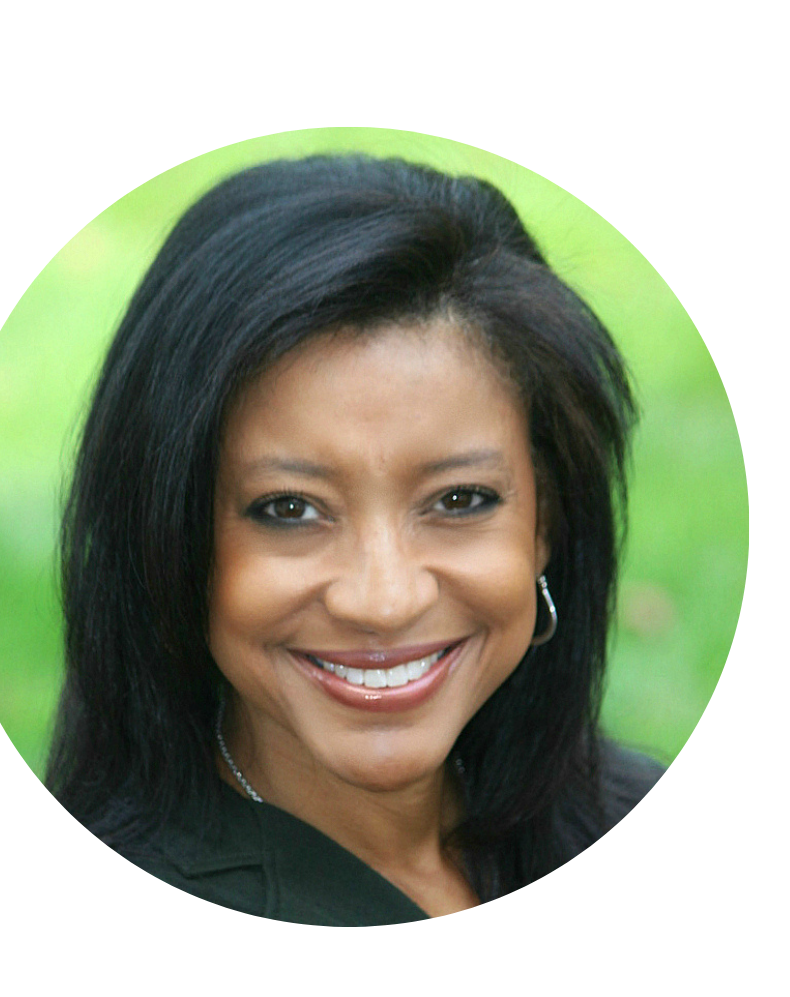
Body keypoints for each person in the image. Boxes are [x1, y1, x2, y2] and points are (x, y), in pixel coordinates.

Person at [42, 153, 669, 927]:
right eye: (289, 509)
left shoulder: (657, 839)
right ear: (171, 538)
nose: (384, 599)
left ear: (547, 522)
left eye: (460, 499)